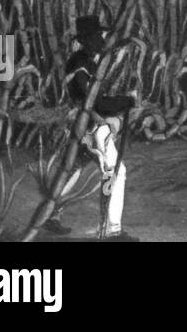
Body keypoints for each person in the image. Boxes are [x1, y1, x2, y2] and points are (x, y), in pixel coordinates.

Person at [53, 16, 137, 240]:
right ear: (88, 39)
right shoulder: (80, 65)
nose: (102, 38)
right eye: (98, 36)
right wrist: (127, 101)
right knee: (116, 172)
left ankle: (50, 216)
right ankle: (113, 230)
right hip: (88, 127)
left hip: (83, 125)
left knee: (74, 169)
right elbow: (95, 102)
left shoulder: (85, 61)